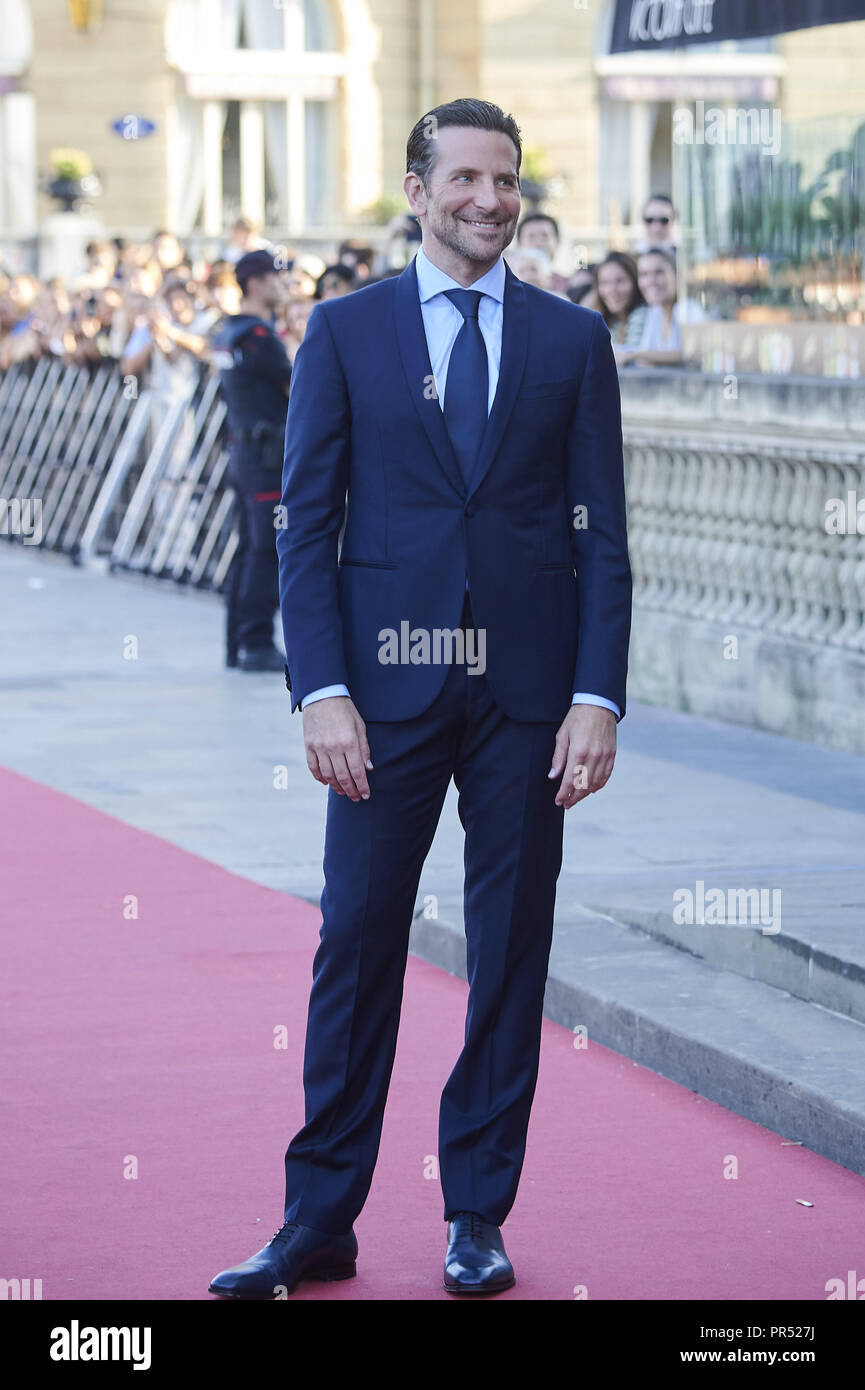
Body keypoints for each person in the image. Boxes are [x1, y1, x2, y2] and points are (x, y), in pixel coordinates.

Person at [209, 96, 631, 1301]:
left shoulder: (568, 341)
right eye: (465, 179)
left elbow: (601, 536)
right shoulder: (343, 331)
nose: (489, 200)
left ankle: (476, 1215)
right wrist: (321, 687)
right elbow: (305, 524)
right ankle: (316, 1220)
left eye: (505, 181)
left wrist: (597, 695)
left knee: (508, 951)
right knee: (354, 943)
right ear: (417, 189)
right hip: (380, 699)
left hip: (529, 696)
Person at [212, 250, 292, 672]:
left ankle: (237, 641)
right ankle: (256, 641)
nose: (286, 286)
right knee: (266, 548)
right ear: (257, 283)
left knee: (249, 548)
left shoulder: (227, 332)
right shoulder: (258, 335)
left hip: (244, 451)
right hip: (265, 456)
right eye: (279, 278)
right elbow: (294, 384)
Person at [624, 247, 705, 367]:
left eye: (659, 272)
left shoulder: (689, 309)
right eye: (644, 274)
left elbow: (692, 354)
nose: (651, 281)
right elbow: (645, 361)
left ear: (676, 275)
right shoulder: (655, 313)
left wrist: (632, 354)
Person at [595, 251, 648, 362]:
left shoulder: (641, 314)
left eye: (620, 281)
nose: (611, 290)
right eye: (604, 282)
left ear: (635, 282)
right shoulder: (614, 321)